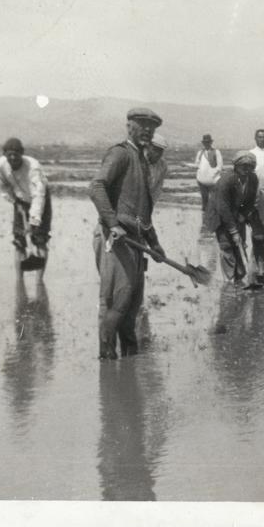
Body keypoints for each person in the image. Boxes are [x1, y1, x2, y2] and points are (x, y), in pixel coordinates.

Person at [89, 107, 167, 360]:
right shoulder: (120, 153)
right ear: (129, 126)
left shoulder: (142, 161)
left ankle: (129, 364)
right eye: (142, 125)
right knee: (117, 302)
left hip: (135, 239)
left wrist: (155, 244)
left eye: (152, 128)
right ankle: (107, 361)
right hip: (116, 239)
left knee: (132, 307)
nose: (147, 130)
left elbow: (142, 211)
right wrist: (113, 224)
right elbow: (96, 187)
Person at [0, 137, 53, 280]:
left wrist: (34, 219)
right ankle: (19, 280)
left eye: (16, 154)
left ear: (21, 153)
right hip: (20, 199)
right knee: (19, 239)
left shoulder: (33, 167)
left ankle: (39, 280)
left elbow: (38, 195)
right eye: (9, 154)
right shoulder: (1, 165)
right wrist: (15, 201)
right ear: (4, 154)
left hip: (40, 200)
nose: (13, 158)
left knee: (40, 238)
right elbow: (4, 188)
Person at [205, 150, 259, 282]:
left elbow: (251, 200)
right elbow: (222, 207)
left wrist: (243, 214)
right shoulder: (226, 180)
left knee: (240, 244)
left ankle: (239, 277)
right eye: (243, 166)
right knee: (227, 246)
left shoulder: (253, 179)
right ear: (236, 166)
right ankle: (229, 281)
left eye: (250, 166)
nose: (246, 169)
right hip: (219, 214)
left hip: (237, 214)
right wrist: (233, 230)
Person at [194, 134, 223, 212]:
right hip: (202, 180)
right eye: (205, 142)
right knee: (204, 200)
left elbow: (220, 166)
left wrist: (213, 174)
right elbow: (196, 165)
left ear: (211, 142)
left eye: (208, 142)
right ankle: (204, 217)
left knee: (214, 200)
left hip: (213, 181)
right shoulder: (200, 152)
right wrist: (187, 165)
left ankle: (214, 216)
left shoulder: (216, 152)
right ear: (203, 143)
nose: (206, 144)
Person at [146, 133, 169, 203]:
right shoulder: (137, 161)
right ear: (147, 147)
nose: (157, 154)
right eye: (155, 150)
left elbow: (158, 188)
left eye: (160, 151)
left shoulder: (162, 165)